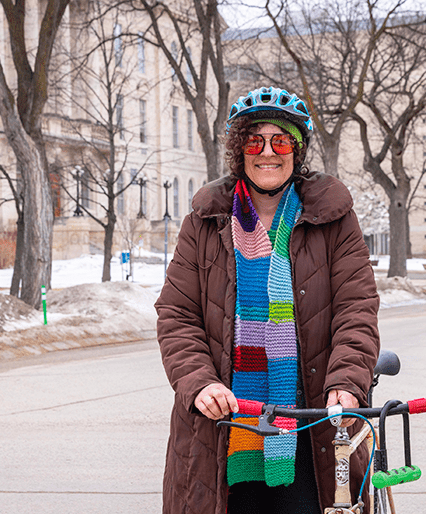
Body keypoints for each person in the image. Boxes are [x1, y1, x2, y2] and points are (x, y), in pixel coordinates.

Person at [155, 86, 380, 514]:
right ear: (239, 151)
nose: (267, 153)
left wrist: (347, 384)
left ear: (297, 150)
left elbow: (357, 309)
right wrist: (199, 382)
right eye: (254, 141)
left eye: (281, 141)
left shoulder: (333, 218)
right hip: (221, 426)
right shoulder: (204, 221)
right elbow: (176, 314)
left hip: (312, 424)